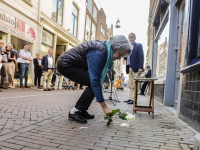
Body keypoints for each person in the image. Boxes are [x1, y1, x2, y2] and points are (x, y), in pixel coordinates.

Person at [57, 35, 131, 124]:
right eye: (121, 54)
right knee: (93, 83)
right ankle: (75, 112)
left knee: (94, 84)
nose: (120, 58)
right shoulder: (98, 53)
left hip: (74, 64)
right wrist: (104, 106)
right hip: (66, 64)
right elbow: (95, 81)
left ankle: (82, 110)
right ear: (116, 47)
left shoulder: (105, 50)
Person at [124, 33, 144, 105]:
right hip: (129, 67)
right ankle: (130, 98)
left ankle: (134, 99)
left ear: (135, 38)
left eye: (132, 37)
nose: (130, 39)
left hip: (136, 68)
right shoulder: (128, 47)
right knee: (131, 84)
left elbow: (141, 57)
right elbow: (126, 57)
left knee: (136, 84)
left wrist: (140, 67)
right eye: (129, 38)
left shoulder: (138, 45)